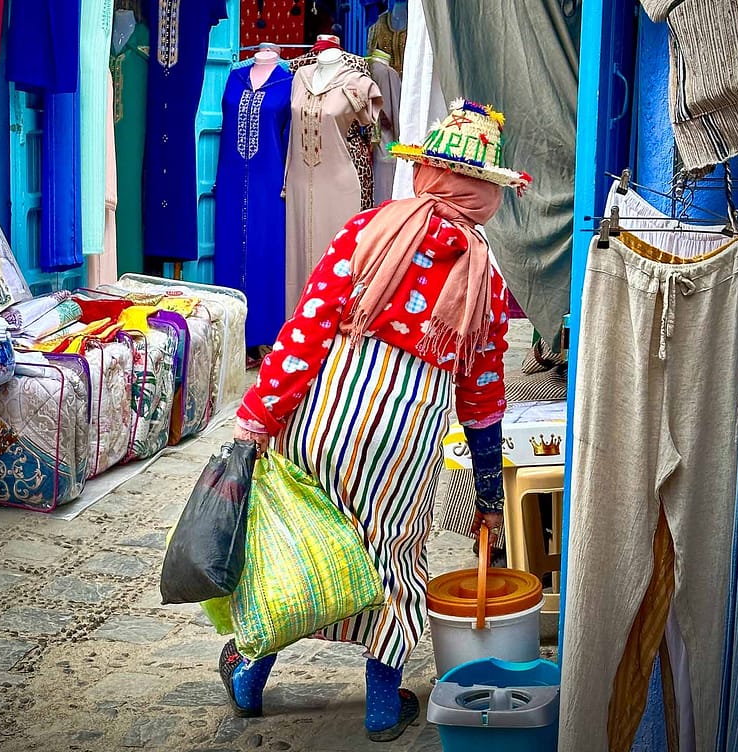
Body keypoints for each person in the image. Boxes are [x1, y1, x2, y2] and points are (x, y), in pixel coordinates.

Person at [219, 99, 530, 741]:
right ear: (485, 196)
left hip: (324, 421)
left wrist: (258, 415)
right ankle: (383, 709)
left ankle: (249, 675)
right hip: (404, 447)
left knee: (299, 548)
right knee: (392, 567)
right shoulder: (486, 282)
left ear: (427, 174)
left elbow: (305, 333)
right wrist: (489, 497)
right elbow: (483, 398)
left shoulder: (367, 232)